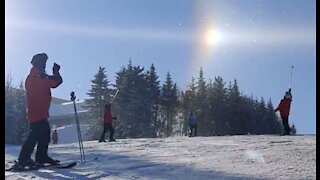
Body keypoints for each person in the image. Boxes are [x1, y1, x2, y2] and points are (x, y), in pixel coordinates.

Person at [17, 53, 63, 168]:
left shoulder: (39, 75)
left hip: (40, 113)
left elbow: (54, 82)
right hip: (36, 113)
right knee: (34, 135)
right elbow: (55, 82)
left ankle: (41, 156)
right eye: (43, 63)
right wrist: (55, 74)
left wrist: (54, 73)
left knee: (45, 134)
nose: (44, 66)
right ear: (38, 64)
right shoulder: (35, 76)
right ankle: (23, 159)